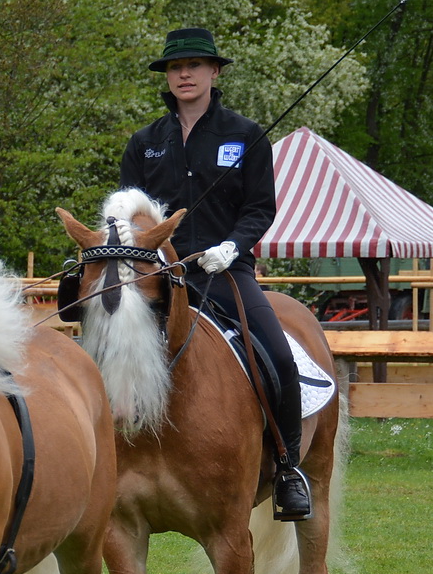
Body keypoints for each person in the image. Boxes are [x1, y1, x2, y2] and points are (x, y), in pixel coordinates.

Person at [119, 27, 309, 520]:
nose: (184, 73)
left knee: (281, 359)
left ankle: (288, 468)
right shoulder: (145, 144)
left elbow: (260, 208)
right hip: (159, 278)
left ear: (214, 72)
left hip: (225, 272)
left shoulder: (245, 136)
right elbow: (127, 215)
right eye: (175, 67)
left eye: (195, 65)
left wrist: (232, 246)